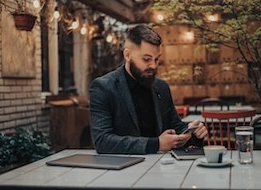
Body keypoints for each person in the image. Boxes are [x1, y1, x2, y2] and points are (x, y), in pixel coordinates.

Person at [89, 24, 208, 154]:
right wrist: (156, 144)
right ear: (127, 55)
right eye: (146, 59)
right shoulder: (103, 87)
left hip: (159, 167)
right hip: (121, 169)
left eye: (157, 59)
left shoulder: (161, 87)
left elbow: (176, 128)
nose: (153, 65)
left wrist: (193, 133)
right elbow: (102, 141)